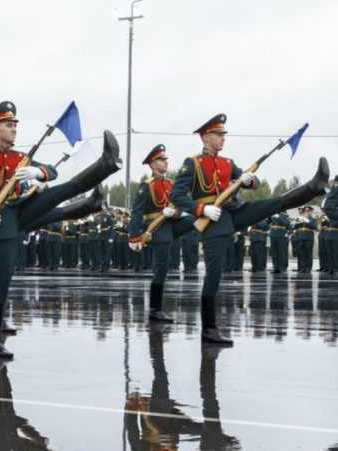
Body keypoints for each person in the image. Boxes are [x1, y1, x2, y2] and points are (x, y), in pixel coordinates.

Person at [0, 100, 121, 358]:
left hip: (22, 207)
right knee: (3, 278)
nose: (13, 130)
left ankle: (105, 165)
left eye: (14, 125)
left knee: (59, 191)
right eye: (8, 125)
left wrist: (38, 172)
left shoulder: (22, 158)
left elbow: (52, 171)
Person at [169, 113, 329, 345]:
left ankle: (313, 187)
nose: (223, 138)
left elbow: (255, 184)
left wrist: (247, 179)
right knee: (214, 273)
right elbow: (176, 196)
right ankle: (209, 329)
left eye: (224, 134)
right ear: (205, 137)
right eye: (219, 134)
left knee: (271, 204)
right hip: (213, 220)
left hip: (236, 211)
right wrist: (201, 210)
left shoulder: (227, 163)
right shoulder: (192, 163)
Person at [129, 144, 194, 323]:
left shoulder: (172, 184)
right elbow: (137, 212)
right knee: (161, 269)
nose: (165, 162)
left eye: (165, 159)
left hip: (173, 222)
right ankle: (155, 309)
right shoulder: (146, 186)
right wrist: (134, 235)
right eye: (161, 159)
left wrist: (177, 213)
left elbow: (182, 205)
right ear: (152, 164)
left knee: (197, 220)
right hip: (157, 227)